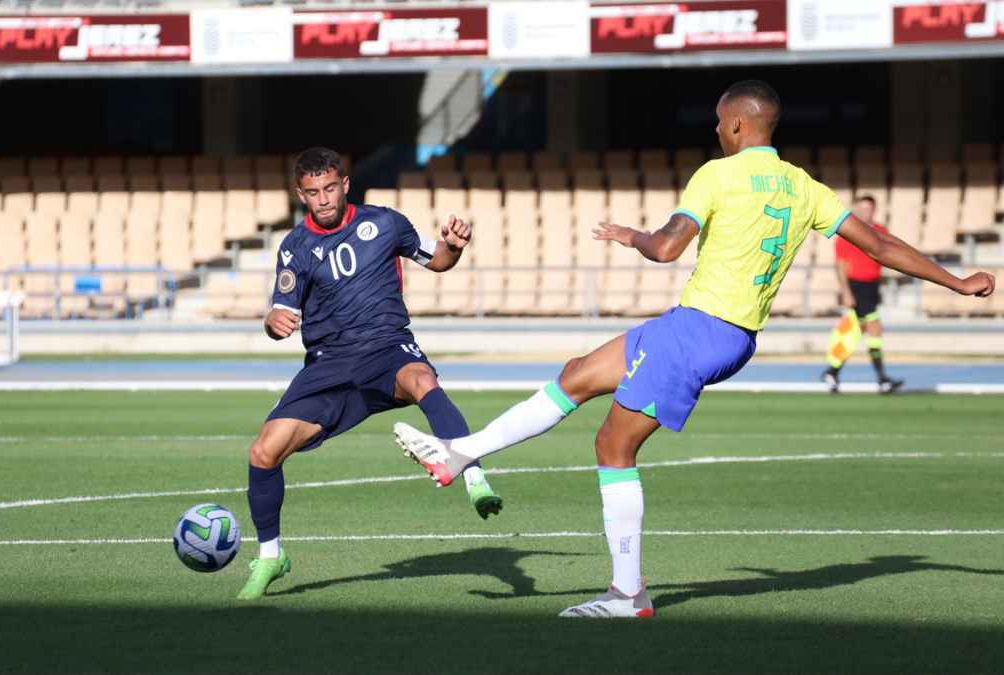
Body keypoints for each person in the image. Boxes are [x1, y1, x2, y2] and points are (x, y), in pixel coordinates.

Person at [394, 80, 995, 619]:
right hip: (717, 330)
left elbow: (665, 249)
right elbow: (882, 246)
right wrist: (958, 281)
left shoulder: (717, 173)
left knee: (612, 444)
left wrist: (631, 235)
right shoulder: (805, 187)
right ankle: (460, 455)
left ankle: (627, 596)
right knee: (577, 374)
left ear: (736, 125)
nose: (715, 129)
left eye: (718, 121)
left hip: (701, 329)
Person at [238, 147, 503, 600]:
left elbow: (435, 261)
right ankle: (270, 557)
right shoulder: (295, 248)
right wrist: (272, 323)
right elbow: (279, 311)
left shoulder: (386, 223)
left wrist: (452, 248)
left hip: (386, 347)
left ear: (345, 185)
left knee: (423, 381)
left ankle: (473, 476)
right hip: (330, 364)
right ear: (300, 194)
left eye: (329, 188)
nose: (322, 199)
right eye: (312, 192)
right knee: (264, 453)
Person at [822, 195, 904, 394]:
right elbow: (840, 265)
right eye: (862, 208)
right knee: (871, 329)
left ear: (874, 210)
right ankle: (881, 379)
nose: (866, 212)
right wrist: (846, 291)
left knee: (859, 331)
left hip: (872, 287)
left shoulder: (881, 231)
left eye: (869, 209)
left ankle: (833, 372)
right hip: (856, 287)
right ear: (857, 209)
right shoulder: (848, 233)